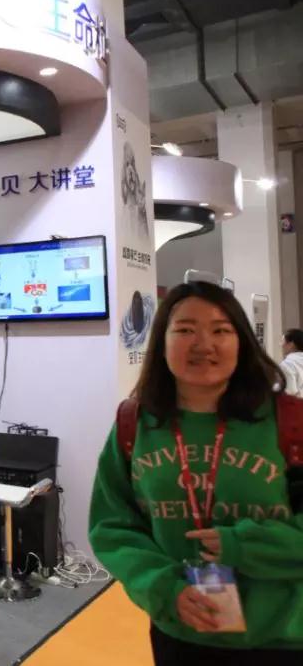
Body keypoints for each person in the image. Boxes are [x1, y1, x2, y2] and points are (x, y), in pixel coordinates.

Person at [89, 281, 303, 664]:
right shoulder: (135, 424)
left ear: (242, 341)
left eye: (220, 330)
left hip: (282, 635)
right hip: (180, 630)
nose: (203, 344)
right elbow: (112, 526)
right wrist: (164, 588)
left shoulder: (290, 421)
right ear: (162, 342)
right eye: (185, 330)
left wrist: (244, 545)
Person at [279, 329, 303, 398]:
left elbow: (290, 392)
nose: (281, 345)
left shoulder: (287, 364)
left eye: (282, 341)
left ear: (291, 344)